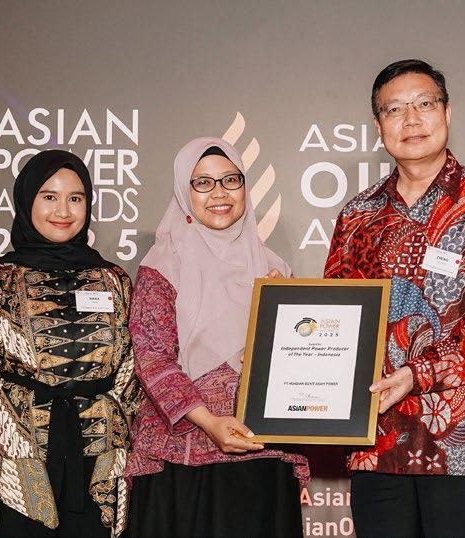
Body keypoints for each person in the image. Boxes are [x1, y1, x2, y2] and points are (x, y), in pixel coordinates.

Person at [324, 59, 465, 537]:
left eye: (424, 104)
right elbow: (337, 317)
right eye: (394, 109)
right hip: (376, 439)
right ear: (378, 125)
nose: (411, 120)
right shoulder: (357, 215)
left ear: (447, 112)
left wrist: (416, 374)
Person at [124, 138, 308, 537]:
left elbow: (295, 364)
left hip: (261, 455)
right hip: (184, 463)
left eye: (230, 180)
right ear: (184, 192)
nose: (220, 193)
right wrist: (210, 423)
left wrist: (283, 308)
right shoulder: (162, 266)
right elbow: (152, 357)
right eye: (203, 183)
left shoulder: (274, 269)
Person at [0, 150, 139, 537]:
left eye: (76, 198)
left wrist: (123, 466)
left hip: (99, 461)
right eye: (49, 196)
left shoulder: (115, 280)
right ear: (27, 201)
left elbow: (128, 377)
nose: (64, 211)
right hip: (20, 459)